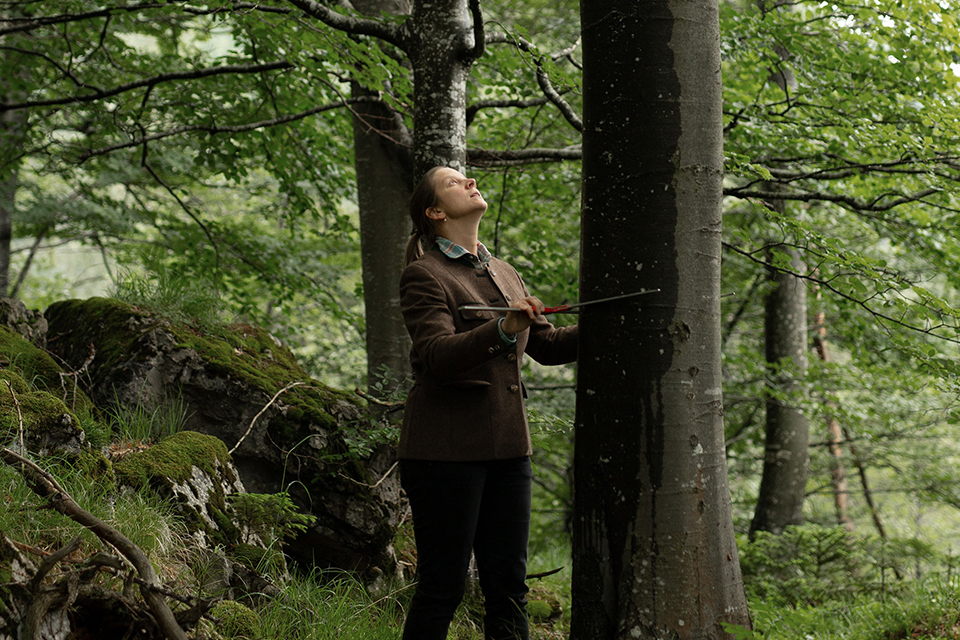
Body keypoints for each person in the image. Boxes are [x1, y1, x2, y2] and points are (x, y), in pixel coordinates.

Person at [398, 165, 578, 640]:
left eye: (468, 178)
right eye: (455, 182)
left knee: (508, 590)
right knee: (442, 587)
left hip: (510, 452)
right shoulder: (424, 275)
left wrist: (611, 327)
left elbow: (550, 345)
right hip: (443, 453)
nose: (470, 182)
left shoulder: (503, 271)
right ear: (435, 211)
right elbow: (436, 356)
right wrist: (502, 330)